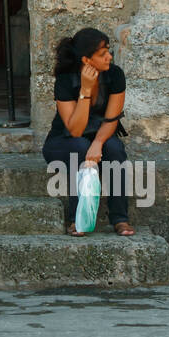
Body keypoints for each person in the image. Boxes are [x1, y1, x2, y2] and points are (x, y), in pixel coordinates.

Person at [41, 27, 135, 237]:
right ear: (86, 60)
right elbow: (74, 129)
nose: (109, 56)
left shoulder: (115, 75)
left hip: (99, 135)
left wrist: (98, 143)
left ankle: (120, 218)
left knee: (116, 150)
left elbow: (112, 119)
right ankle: (77, 219)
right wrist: (85, 90)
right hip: (62, 141)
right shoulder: (66, 80)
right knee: (80, 148)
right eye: (102, 54)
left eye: (108, 51)